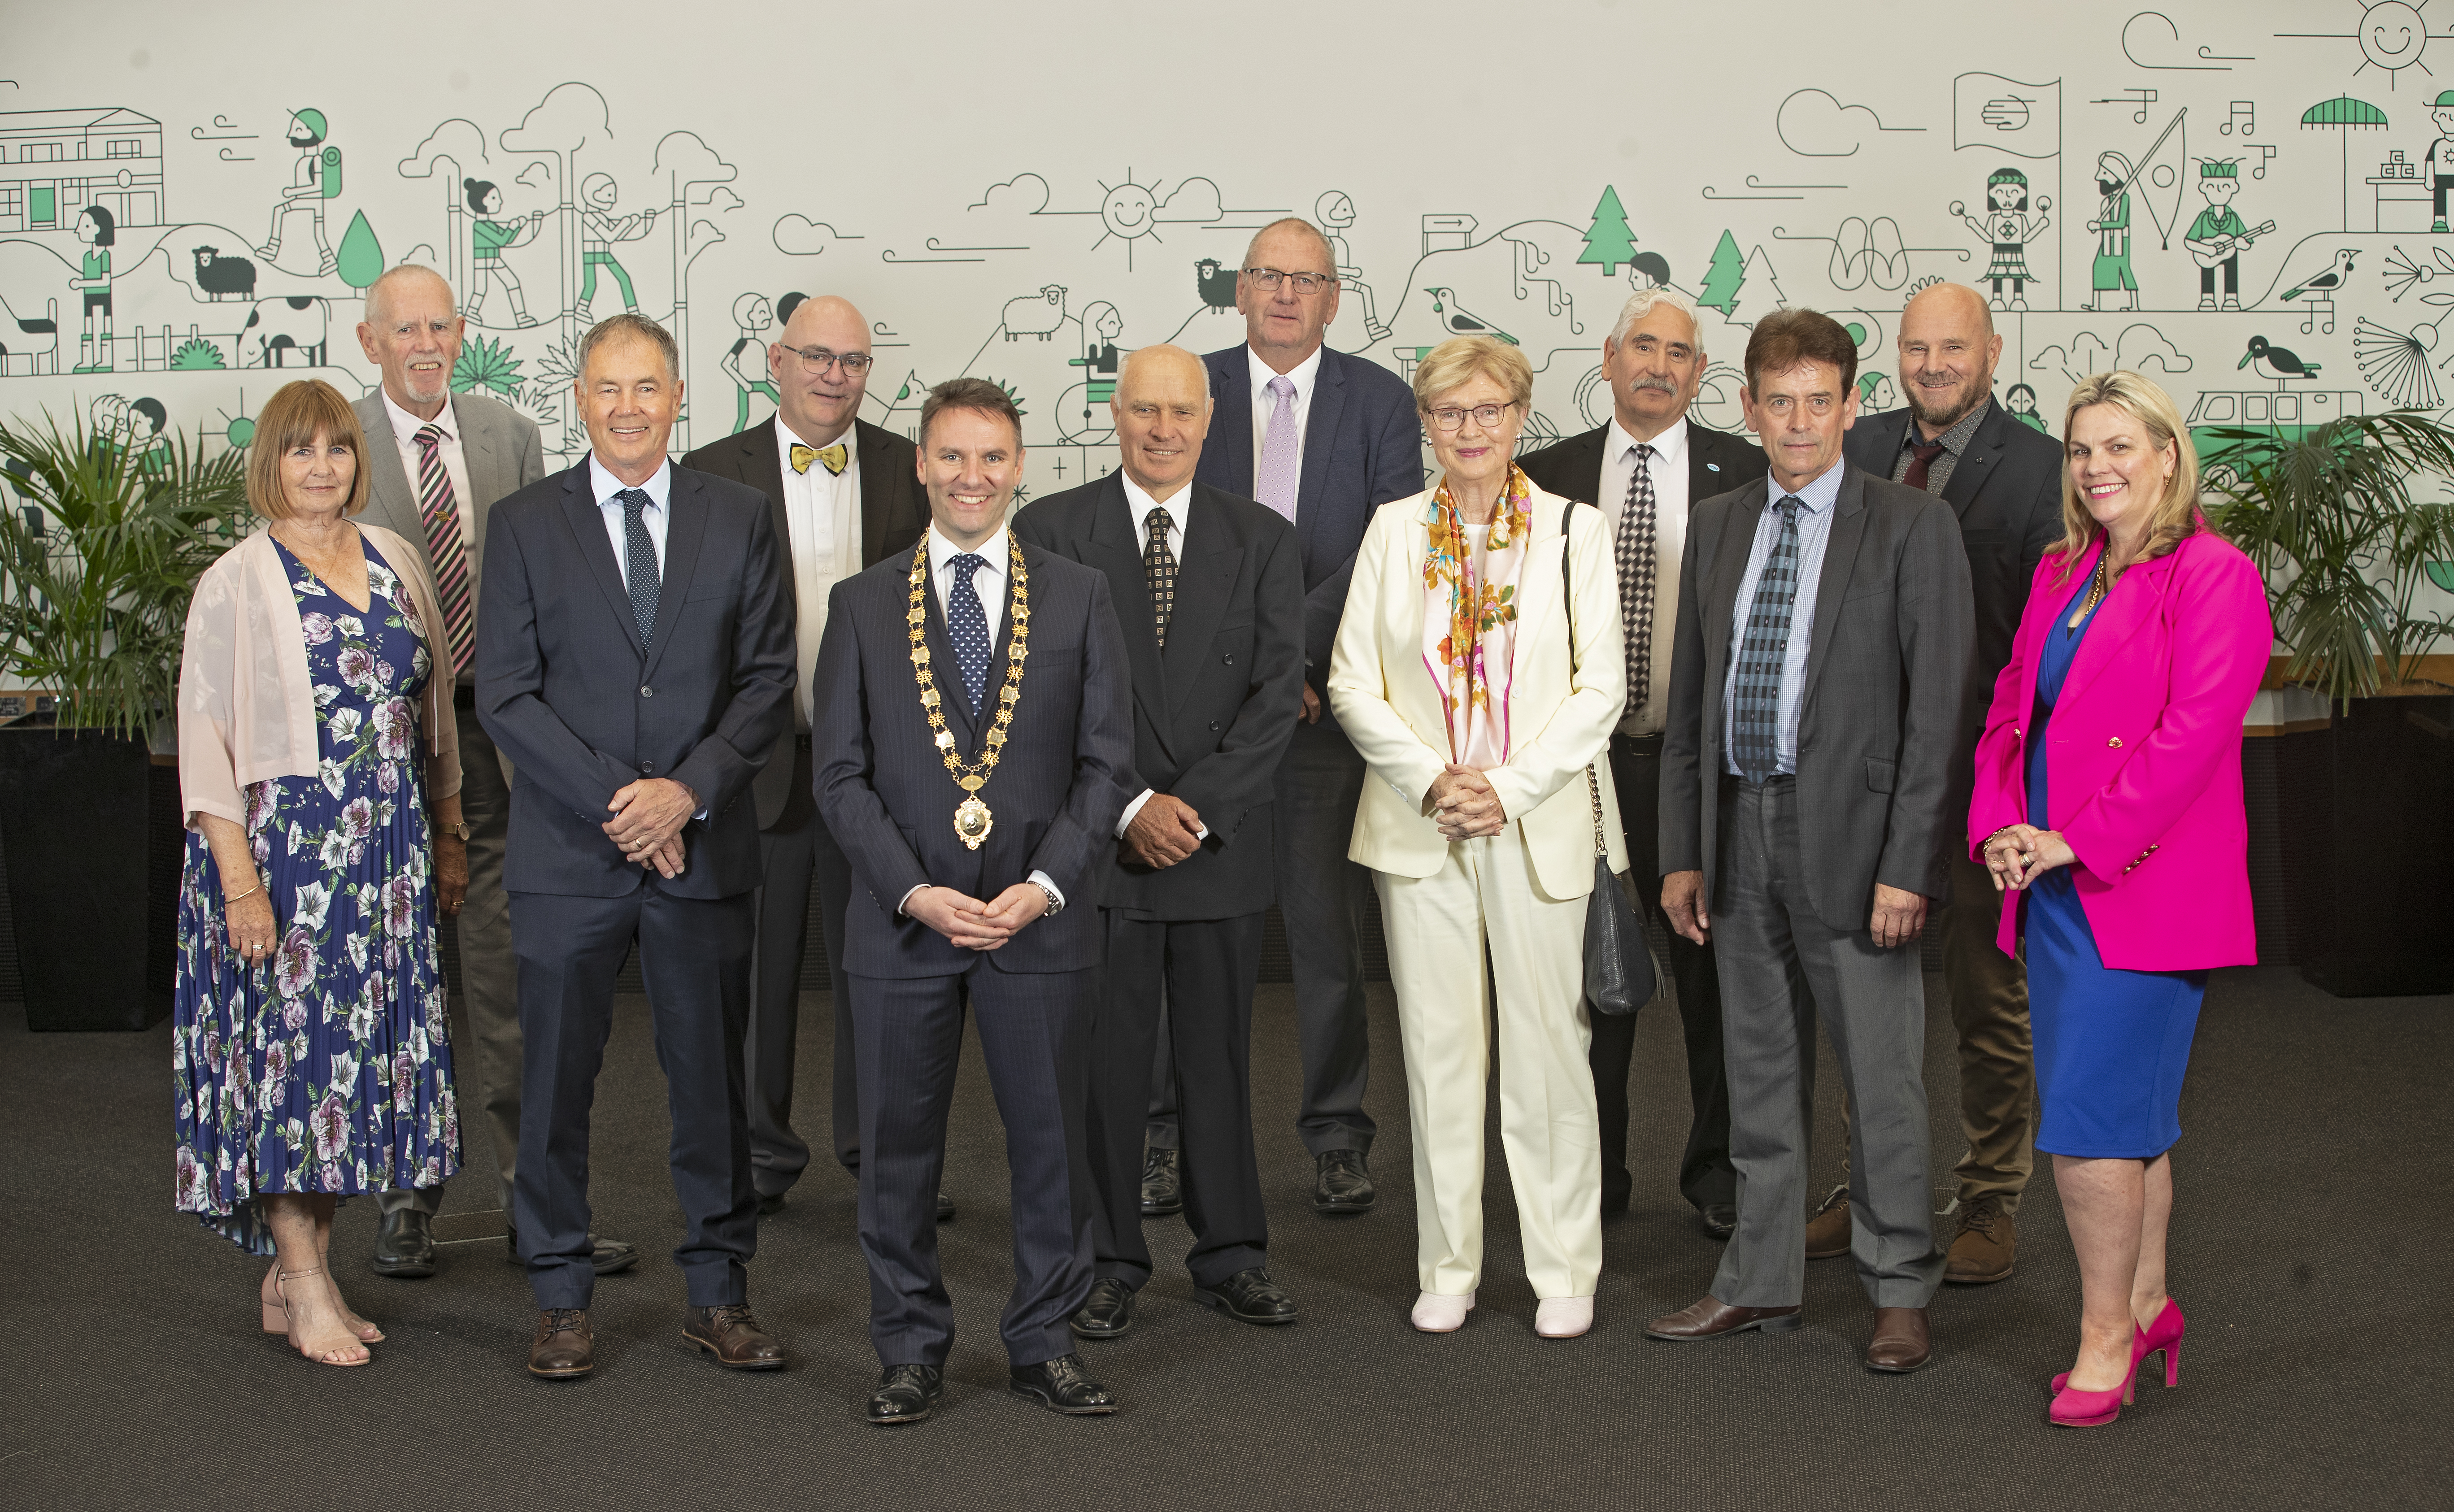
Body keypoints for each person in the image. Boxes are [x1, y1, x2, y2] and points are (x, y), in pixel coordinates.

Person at [1648, 308, 1973, 1373]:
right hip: (1739, 830)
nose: (1796, 421)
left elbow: (1937, 715)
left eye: (1817, 400)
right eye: (1775, 401)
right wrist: (1684, 850)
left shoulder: (1909, 525)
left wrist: (1906, 863)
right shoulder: (1722, 520)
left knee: (1881, 1080)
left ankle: (1895, 1286)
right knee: (1757, 1072)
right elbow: (1691, 703)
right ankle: (1757, 1280)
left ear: (1848, 405)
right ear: (1746, 408)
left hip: (1855, 840)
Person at [475, 314, 797, 1381]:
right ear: (579, 397)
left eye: (646, 387)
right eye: (607, 388)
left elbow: (763, 680)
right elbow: (508, 695)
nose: (627, 407)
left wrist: (687, 792)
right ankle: (560, 1291)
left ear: (676, 395)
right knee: (557, 1081)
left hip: (701, 849)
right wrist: (628, 803)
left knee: (709, 1082)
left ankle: (719, 1290)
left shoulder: (740, 514)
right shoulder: (522, 522)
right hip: (570, 854)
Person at [813, 378, 1134, 1424]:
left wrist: (1043, 886)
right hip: (904, 924)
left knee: (1050, 1143)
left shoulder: (1080, 595)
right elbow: (840, 777)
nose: (970, 477)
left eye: (991, 457)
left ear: (1020, 463)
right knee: (897, 1149)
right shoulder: (860, 603)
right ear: (919, 463)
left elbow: (1103, 765)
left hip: (1037, 923)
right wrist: (913, 889)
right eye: (951, 456)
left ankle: (1044, 1339)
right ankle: (908, 1346)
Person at [1970, 370, 2270, 1427]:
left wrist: (2070, 837)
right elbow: (2013, 703)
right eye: (2079, 450)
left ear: (2165, 456)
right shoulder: (2065, 569)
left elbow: (2190, 739)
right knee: (2127, 1117)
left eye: (2118, 447)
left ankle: (2105, 1334)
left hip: (2136, 884)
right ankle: (2142, 1301)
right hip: (2053, 880)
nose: (2096, 467)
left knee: (2090, 1120)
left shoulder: (2212, 573)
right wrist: (1998, 824)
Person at [1326, 335, 1626, 1340]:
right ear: (1426, 422)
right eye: (1450, 412)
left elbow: (1601, 693)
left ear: (1519, 417)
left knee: (1549, 1051)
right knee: (1440, 1054)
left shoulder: (1575, 533)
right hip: (1421, 828)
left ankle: (1562, 1268)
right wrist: (1434, 782)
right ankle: (1449, 1265)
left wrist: (1503, 786)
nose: (1470, 430)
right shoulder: (1392, 531)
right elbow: (1351, 683)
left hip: (1535, 822)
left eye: (1489, 410)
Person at [1013, 346, 1308, 1342]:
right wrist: (1134, 804)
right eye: (1145, 409)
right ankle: (1108, 1262)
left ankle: (1231, 1255)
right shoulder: (1051, 530)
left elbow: (1277, 697)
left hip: (1216, 845)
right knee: (1105, 1068)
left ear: (1210, 419)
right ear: (1116, 413)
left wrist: (1198, 809)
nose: (1163, 429)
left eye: (1182, 412)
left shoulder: (1262, 537)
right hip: (1105, 847)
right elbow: (1043, 699)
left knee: (1222, 1060)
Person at [172, 377, 468, 1366]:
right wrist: (240, 884)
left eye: (336, 449)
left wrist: (451, 828)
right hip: (284, 858)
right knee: (293, 1071)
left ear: (357, 460)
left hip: (385, 856)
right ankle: (304, 1284)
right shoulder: (236, 579)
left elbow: (433, 721)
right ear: (272, 464)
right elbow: (205, 745)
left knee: (360, 1069)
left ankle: (297, 1271)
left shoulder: (397, 559)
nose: (321, 468)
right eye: (300, 451)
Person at [347, 265, 627, 1281]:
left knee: (511, 982)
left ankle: (530, 1201)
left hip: (503, 741)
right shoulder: (338, 442)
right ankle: (404, 1196)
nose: (424, 343)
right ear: (369, 337)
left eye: (439, 325)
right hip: (385, 758)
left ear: (459, 332)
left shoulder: (508, 434)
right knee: (404, 985)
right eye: (403, 328)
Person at [1831, 282, 2065, 1286]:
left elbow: (2048, 644)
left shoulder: (2046, 472)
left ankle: (1990, 1197)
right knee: (1861, 996)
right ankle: (1870, 1184)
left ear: (1993, 352)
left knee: (1985, 997)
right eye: (1917, 348)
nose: (1932, 365)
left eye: (1953, 348)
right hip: (1860, 774)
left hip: (1984, 778)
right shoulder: (1855, 443)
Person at [1191, 216, 1421, 1217]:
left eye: (1308, 280)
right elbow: (1171, 530)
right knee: (1190, 936)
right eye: (1268, 277)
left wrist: (1287, 655)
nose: (1286, 295)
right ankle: (1174, 1132)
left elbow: (1387, 543)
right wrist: (1246, 665)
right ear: (1238, 291)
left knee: (1328, 939)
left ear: (1334, 298)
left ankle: (1336, 1134)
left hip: (1323, 709)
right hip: (1202, 720)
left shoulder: (1378, 400)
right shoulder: (1187, 389)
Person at [680, 294, 928, 1218]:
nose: (835, 376)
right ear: (776, 361)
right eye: (817, 357)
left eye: (854, 361)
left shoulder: (915, 469)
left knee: (884, 966)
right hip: (761, 766)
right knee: (756, 971)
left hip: (880, 769)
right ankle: (758, 1160)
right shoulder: (710, 473)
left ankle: (883, 1158)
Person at [1519, 285, 1757, 1241]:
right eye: (1642, 347)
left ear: (1701, 375)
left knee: (1712, 982)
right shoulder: (1541, 476)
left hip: (1699, 768)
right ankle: (1593, 1180)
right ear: (1608, 359)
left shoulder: (1746, 473)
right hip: (1582, 773)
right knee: (1591, 985)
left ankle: (1718, 1179)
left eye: (1679, 354)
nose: (1658, 366)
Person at [573, 173, 658, 325]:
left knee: (623, 278)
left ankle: (634, 314)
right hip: (592, 255)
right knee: (592, 284)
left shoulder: (601, 217)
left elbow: (620, 235)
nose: (613, 200)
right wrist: (627, 223)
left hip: (602, 253)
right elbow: (610, 236)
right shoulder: (589, 217)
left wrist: (641, 223)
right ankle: (581, 309)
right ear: (595, 195)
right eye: (609, 195)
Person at [462, 180, 541, 329]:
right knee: (481, 289)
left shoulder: (489, 224)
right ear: (484, 201)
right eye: (494, 198)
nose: (500, 202)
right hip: (484, 260)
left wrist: (518, 227)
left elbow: (508, 240)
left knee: (511, 283)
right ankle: (472, 313)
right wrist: (513, 227)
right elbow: (501, 241)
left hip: (493, 259)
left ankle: (521, 317)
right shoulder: (479, 226)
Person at [2087, 152, 2139, 313]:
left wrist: (2099, 226)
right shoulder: (2109, 200)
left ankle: (2135, 305)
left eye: (2103, 173)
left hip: (2120, 241)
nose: (2098, 178)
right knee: (2099, 267)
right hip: (2108, 241)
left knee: (2125, 270)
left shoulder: (2124, 199)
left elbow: (2121, 223)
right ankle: (2097, 305)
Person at [68, 205, 114, 374]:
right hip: (89, 298)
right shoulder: (87, 257)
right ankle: (88, 361)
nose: (78, 230)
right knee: (89, 330)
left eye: (85, 226)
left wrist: (81, 284)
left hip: (103, 298)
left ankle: (106, 360)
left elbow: (106, 281)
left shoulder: (105, 256)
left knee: (103, 329)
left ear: (98, 230)